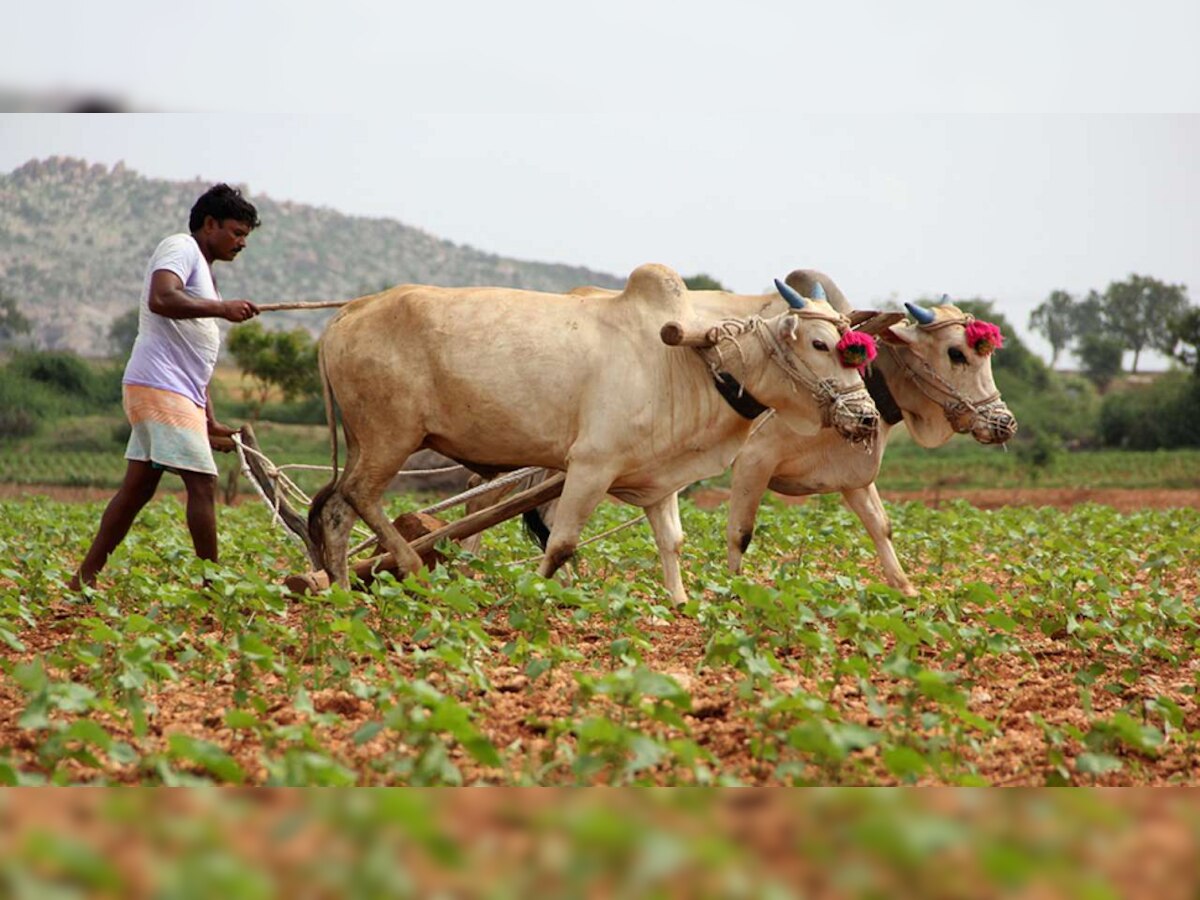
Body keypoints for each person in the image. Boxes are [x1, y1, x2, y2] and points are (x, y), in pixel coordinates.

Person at [69, 184, 261, 591]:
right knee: (203, 483)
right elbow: (162, 298)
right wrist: (222, 309)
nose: (242, 243)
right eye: (236, 232)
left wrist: (207, 419)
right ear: (209, 224)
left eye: (246, 236)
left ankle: (82, 580)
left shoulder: (205, 272)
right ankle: (212, 587)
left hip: (173, 389)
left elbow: (194, 357)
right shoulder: (181, 247)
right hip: (159, 385)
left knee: (136, 491)